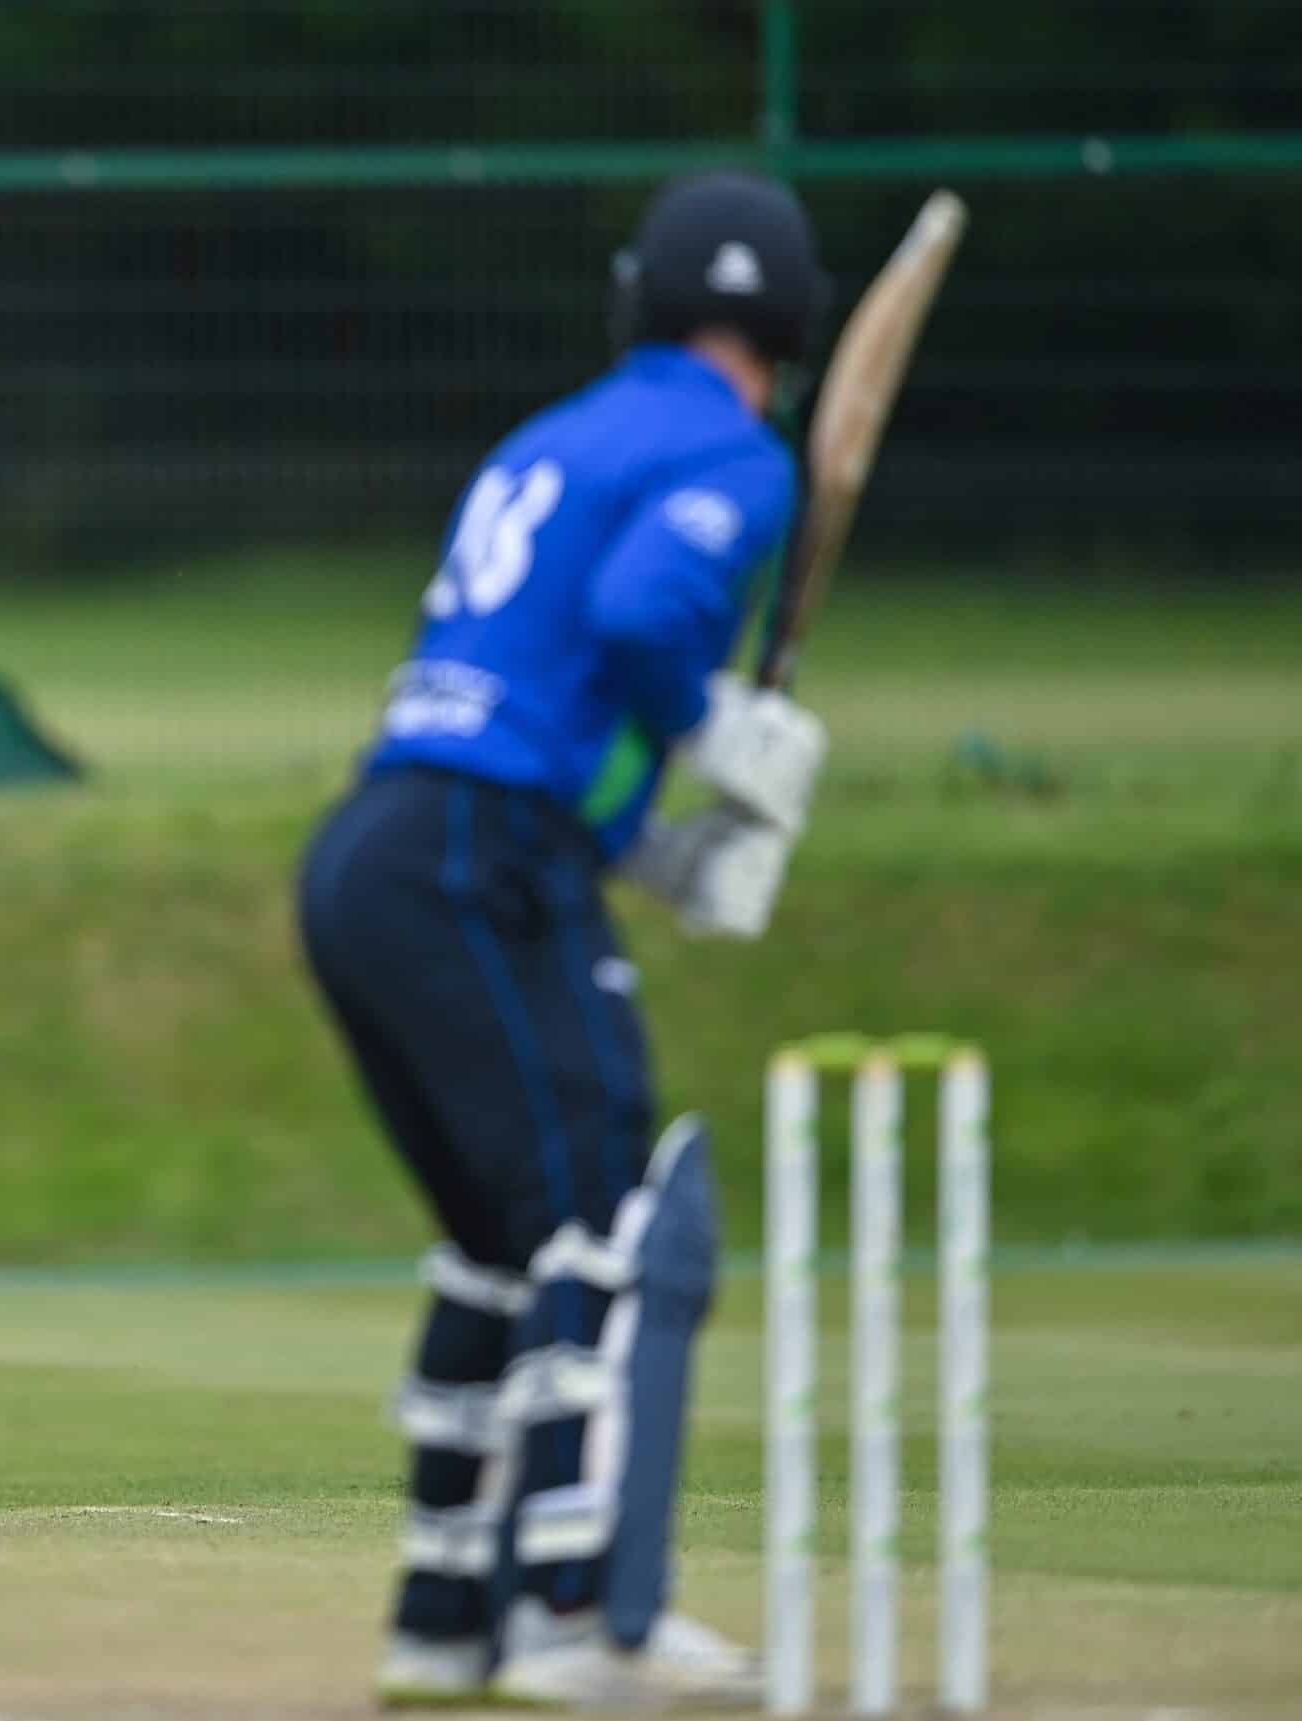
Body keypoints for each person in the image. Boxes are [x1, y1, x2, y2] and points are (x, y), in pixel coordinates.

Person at [295, 174, 833, 1708]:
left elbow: (512, 684)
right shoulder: (737, 453)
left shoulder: (556, 435)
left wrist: (655, 847)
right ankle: (577, 1610)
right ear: (791, 324)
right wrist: (714, 727)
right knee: (601, 1205)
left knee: (502, 1238)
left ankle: (445, 1620)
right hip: (480, 853)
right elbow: (644, 615)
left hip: (377, 847)